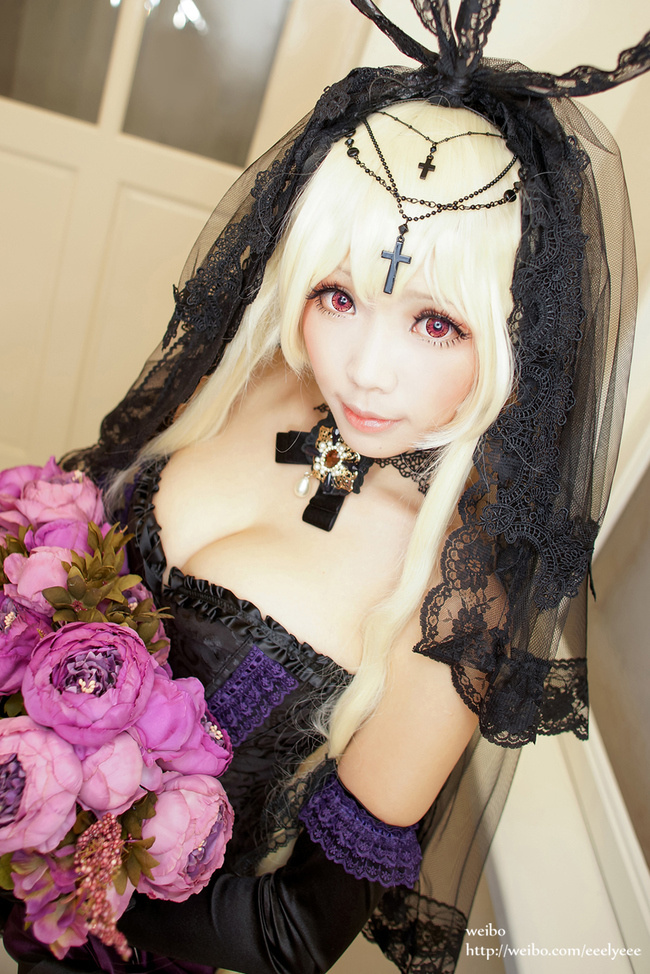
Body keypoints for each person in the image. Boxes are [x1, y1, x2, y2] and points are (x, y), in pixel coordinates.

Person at [4, 1, 649, 973]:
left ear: (515, 333)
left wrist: (49, 871)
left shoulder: (456, 602)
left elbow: (293, 931)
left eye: (435, 323)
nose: (364, 372)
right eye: (338, 295)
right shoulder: (263, 379)